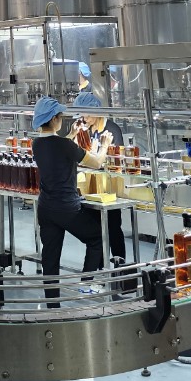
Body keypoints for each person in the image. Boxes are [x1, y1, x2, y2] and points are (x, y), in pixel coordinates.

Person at [31, 95, 109, 307]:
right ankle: (86, 282)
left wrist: (73, 134)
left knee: (50, 258)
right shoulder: (64, 145)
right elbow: (96, 163)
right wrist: (105, 145)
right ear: (54, 119)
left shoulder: (37, 143)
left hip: (46, 208)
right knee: (97, 238)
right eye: (60, 116)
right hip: (67, 208)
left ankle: (53, 306)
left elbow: (57, 148)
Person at [71, 91, 127, 266]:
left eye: (88, 114)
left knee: (113, 226)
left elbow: (116, 159)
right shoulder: (84, 129)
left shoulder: (111, 129)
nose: (85, 118)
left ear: (97, 110)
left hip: (109, 186)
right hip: (89, 185)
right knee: (95, 228)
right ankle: (100, 265)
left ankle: (119, 263)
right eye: (82, 115)